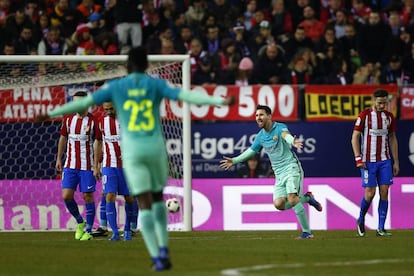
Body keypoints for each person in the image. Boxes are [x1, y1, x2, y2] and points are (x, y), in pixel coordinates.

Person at [36, 46, 235, 271]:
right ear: (146, 66)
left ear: (126, 66)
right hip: (155, 148)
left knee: (144, 203)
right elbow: (185, 96)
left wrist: (50, 114)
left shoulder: (116, 86)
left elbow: (83, 103)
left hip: (133, 152)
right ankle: (163, 247)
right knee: (158, 198)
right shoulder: (155, 84)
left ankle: (156, 257)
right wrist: (219, 102)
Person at [219, 105, 322, 239]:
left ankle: (307, 232)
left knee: (291, 199)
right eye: (256, 116)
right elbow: (251, 152)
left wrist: (293, 141)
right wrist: (235, 160)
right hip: (279, 174)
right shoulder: (260, 136)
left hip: (291, 168)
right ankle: (307, 198)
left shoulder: (279, 127)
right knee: (279, 204)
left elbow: (286, 135)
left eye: (261, 115)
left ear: (269, 116)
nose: (258, 118)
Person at [351, 89, 399, 237]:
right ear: (373, 101)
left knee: (385, 191)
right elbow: (355, 137)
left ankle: (381, 228)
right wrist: (358, 158)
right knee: (370, 193)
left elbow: (392, 138)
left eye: (384, 103)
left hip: (385, 160)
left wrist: (396, 161)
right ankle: (361, 218)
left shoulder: (389, 117)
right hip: (367, 162)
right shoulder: (364, 115)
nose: (382, 105)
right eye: (379, 103)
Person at [55, 90, 100, 241]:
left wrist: (96, 166)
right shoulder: (68, 119)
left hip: (87, 166)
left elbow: (98, 143)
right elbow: (63, 138)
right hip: (70, 165)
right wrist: (59, 159)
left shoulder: (94, 121)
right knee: (66, 196)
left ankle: (88, 230)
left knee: (88, 196)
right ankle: (80, 222)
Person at [93, 101, 137, 241]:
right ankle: (115, 233)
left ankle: (128, 229)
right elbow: (99, 143)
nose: (109, 111)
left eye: (111, 108)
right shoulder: (101, 123)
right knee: (109, 196)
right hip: (108, 165)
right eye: (106, 109)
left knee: (129, 197)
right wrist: (96, 165)